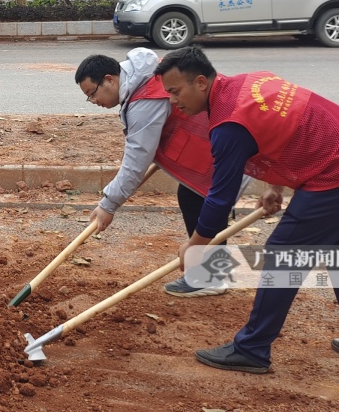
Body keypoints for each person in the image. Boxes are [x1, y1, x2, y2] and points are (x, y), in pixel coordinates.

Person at [155, 45, 339, 375]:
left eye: (175, 91)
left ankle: (251, 348)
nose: (173, 101)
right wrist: (274, 186)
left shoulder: (227, 125)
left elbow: (219, 199)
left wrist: (195, 245)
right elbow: (285, 125)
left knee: (282, 254)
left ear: (200, 83)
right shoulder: (246, 83)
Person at [76, 48, 243, 297]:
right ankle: (212, 274)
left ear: (110, 79)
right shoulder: (142, 77)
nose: (94, 102)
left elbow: (137, 159)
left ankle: (211, 277)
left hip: (219, 147)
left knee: (203, 202)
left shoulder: (144, 100)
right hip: (213, 143)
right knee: (194, 198)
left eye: (92, 94)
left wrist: (108, 204)